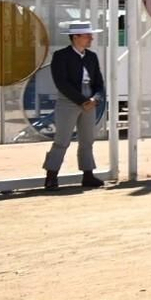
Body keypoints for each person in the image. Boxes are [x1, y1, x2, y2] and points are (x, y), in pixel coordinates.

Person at [42, 21, 105, 190]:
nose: (90, 38)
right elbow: (61, 83)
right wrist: (83, 101)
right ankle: (51, 176)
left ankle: (88, 174)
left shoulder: (91, 57)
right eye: (87, 36)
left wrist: (95, 99)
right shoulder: (61, 56)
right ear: (75, 37)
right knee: (62, 140)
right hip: (69, 102)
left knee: (87, 140)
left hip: (88, 102)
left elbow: (99, 82)